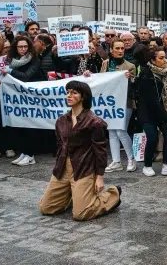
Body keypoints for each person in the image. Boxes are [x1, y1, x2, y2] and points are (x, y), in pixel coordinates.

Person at [38, 80, 121, 220]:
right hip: (62, 168)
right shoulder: (61, 121)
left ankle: (113, 194)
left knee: (80, 214)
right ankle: (75, 195)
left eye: (74, 93)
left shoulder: (95, 122)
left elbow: (100, 152)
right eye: (68, 92)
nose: (69, 95)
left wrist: (99, 178)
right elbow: (60, 146)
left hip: (84, 169)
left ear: (83, 97)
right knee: (46, 208)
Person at [85, 38, 137, 172]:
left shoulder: (130, 66)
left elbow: (133, 85)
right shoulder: (105, 64)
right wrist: (89, 75)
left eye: (122, 48)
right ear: (111, 50)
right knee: (112, 131)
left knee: (121, 131)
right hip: (110, 103)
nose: (120, 51)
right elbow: (101, 80)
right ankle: (116, 161)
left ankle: (131, 159)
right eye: (117, 48)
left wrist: (129, 79)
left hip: (125, 102)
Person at [0, 36, 42, 165]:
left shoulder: (34, 59)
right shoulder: (12, 61)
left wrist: (10, 72)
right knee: (21, 126)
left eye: (25, 47)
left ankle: (30, 155)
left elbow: (27, 76)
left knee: (30, 126)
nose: (23, 49)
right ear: (15, 48)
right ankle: (24, 152)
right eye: (20, 47)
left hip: (31, 97)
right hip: (18, 97)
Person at [136, 46, 167, 177]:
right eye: (161, 58)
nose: (165, 60)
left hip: (163, 110)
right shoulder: (145, 74)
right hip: (147, 112)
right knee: (152, 138)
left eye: (165, 57)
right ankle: (147, 165)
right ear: (153, 61)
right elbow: (152, 101)